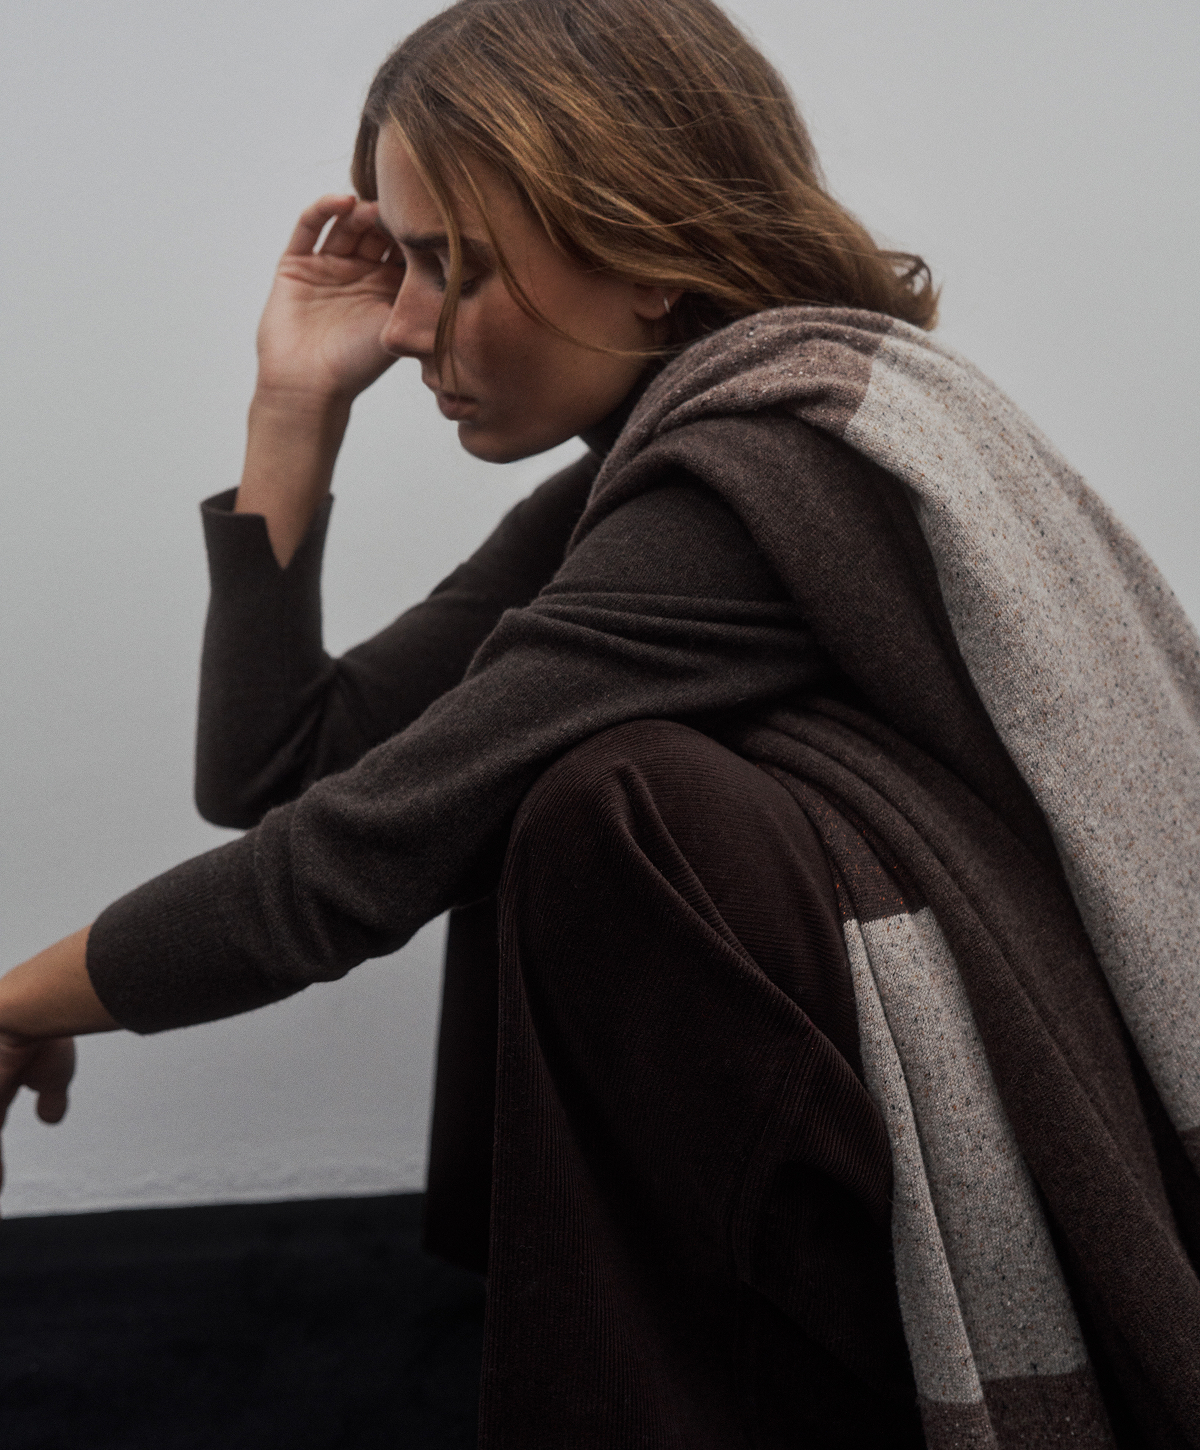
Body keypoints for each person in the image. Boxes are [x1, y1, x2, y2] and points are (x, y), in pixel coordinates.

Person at [2, 0, 1199, 1445]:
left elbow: (347, 861)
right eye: (404, 263)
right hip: (827, 1165)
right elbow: (284, 768)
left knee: (605, 798)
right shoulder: (645, 483)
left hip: (954, 1171)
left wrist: (14, 1002)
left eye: (454, 265)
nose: (404, 325)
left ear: (649, 248)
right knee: (526, 762)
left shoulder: (749, 480)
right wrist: (291, 406)